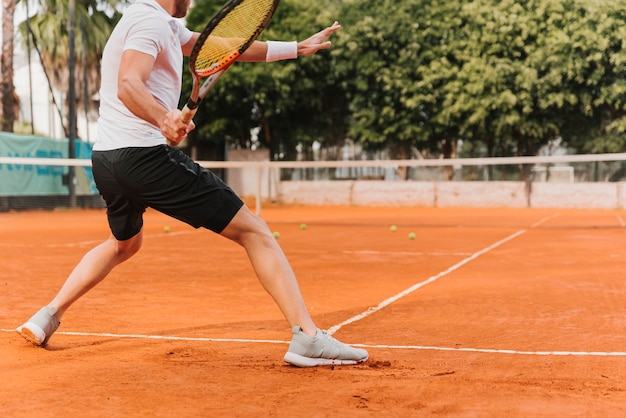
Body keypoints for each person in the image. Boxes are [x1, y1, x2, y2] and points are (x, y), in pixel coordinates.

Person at [16, 0, 368, 368]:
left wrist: (294, 48)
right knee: (255, 230)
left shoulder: (162, 25)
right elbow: (127, 83)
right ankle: (307, 338)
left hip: (106, 159)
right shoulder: (149, 22)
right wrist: (163, 117)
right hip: (144, 158)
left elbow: (230, 47)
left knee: (123, 245)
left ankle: (48, 314)